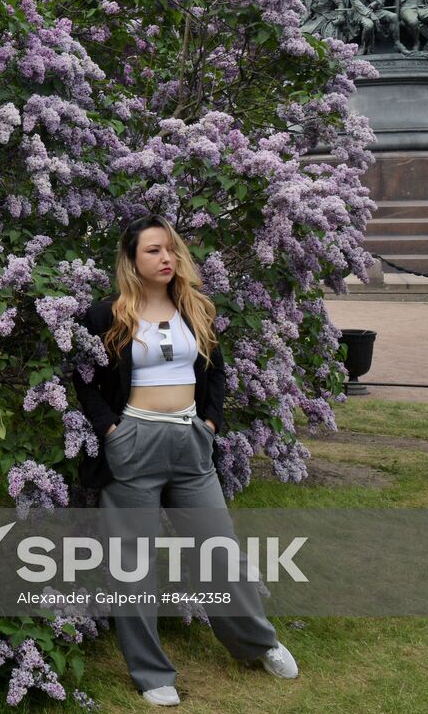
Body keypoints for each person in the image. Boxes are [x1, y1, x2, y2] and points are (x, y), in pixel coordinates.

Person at [71, 215, 298, 706]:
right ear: (132, 260)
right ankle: (152, 674)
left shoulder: (196, 309)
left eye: (170, 249)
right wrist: (111, 430)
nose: (166, 258)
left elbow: (216, 374)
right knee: (132, 564)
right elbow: (84, 380)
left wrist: (210, 424)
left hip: (191, 442)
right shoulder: (105, 315)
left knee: (220, 551)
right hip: (133, 443)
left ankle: (257, 644)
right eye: (153, 251)